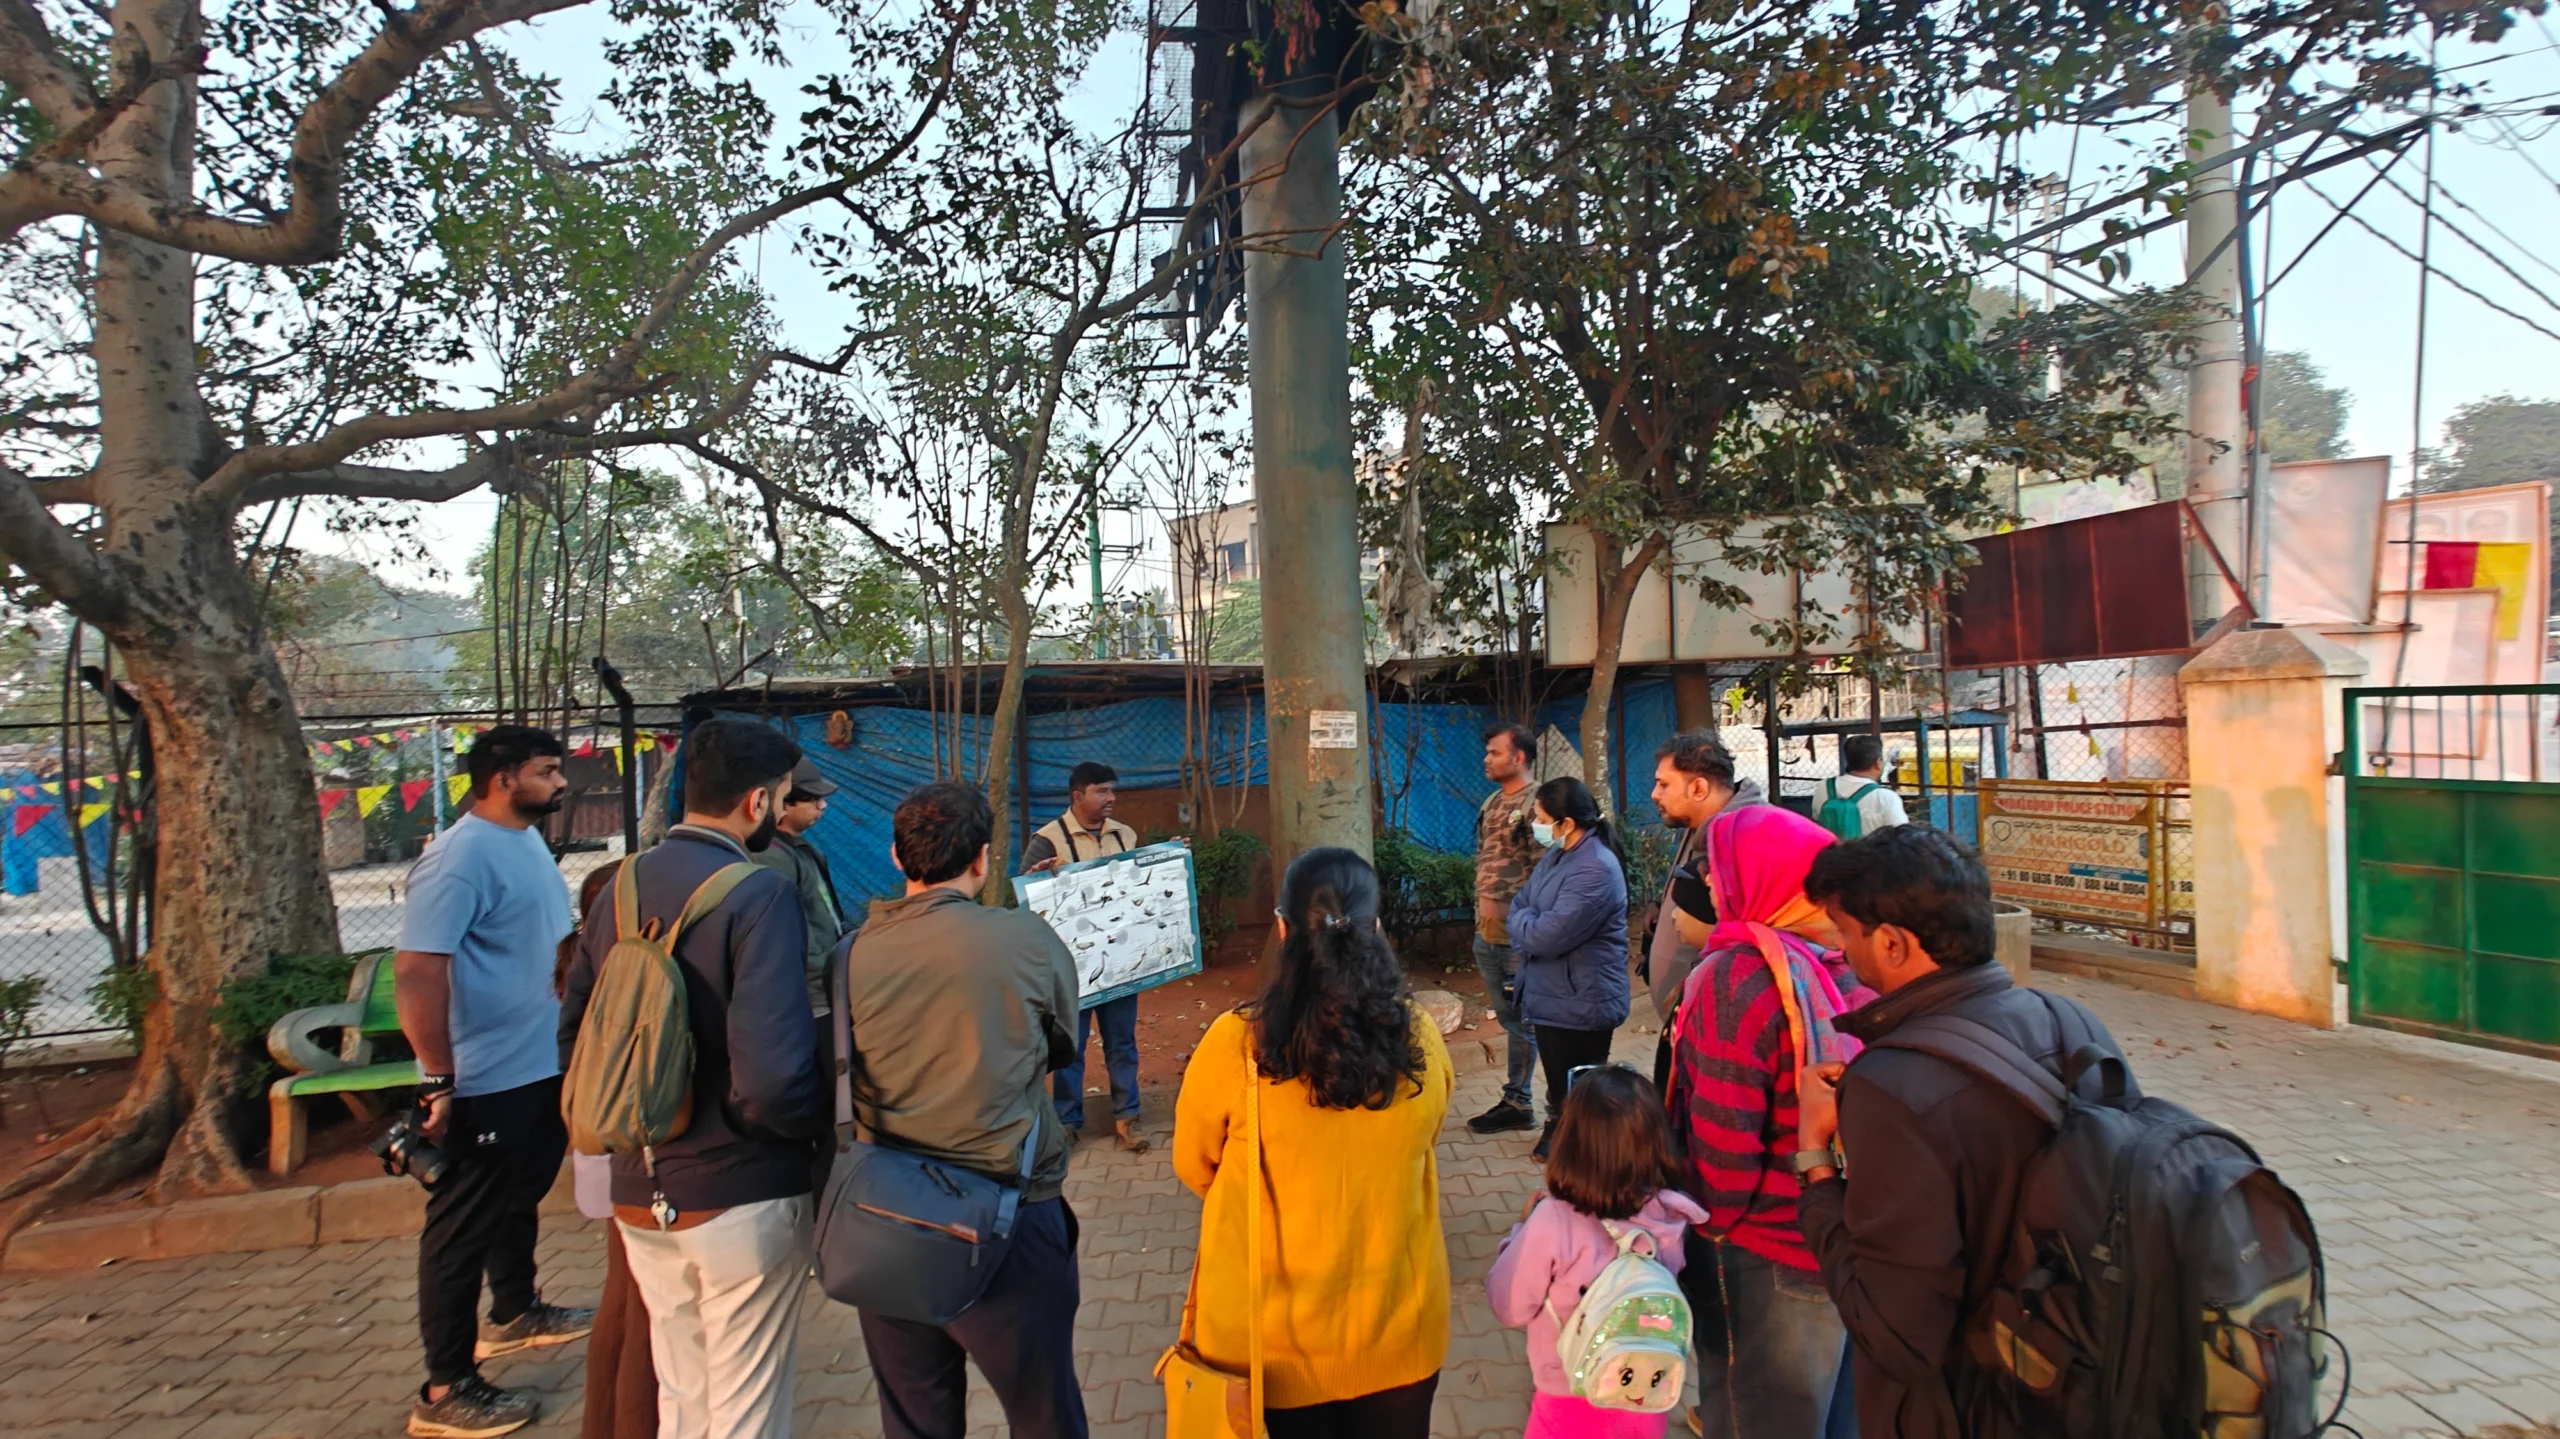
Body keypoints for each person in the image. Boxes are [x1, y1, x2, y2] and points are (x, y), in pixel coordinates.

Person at [1794, 827, 2125, 1439]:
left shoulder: (1891, 1086)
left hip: (1970, 1404)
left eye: (1844, 932)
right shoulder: (2070, 1021)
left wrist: (1816, 1161)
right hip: (2081, 1374)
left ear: (1891, 944)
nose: (1838, 947)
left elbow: (1898, 1337)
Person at [558, 718, 829, 1439]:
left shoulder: (620, 886)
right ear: (757, 801)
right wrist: (800, 1139)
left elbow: (575, 1034)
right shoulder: (757, 894)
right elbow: (772, 1076)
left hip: (638, 1188)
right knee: (745, 1409)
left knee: (682, 1396)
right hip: (740, 1188)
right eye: (780, 797)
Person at [1172, 846, 1456, 1438]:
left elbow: (1195, 1167)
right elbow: (1428, 1133)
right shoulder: (1422, 1038)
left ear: (1282, 929)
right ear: (1377, 927)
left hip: (1268, 1356)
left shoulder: (1235, 1047)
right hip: (1400, 1341)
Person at [841, 780, 1087, 1439]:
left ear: (897, 856)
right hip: (1008, 1213)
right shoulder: (1025, 938)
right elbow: (1063, 1043)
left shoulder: (851, 953)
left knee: (915, 1421)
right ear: (982, 857)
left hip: (887, 1220)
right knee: (1045, 1413)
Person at [395, 724, 591, 1439]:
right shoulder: (458, 859)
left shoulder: (523, 841)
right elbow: (418, 969)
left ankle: (514, 1309)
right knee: (461, 1225)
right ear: (504, 778)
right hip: (484, 1076)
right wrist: (438, 1077)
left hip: (537, 1061)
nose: (561, 782)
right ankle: (446, 1386)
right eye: (547, 770)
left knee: (517, 1195)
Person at [1666, 804, 1876, 1439]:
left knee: (1755, 1414)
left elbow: (1725, 1149)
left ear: (1758, 878)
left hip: (1762, 1250)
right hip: (1844, 1236)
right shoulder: (1845, 962)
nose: (1709, 881)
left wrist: (1705, 1227)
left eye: (1717, 867)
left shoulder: (1737, 977)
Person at [1488, 1066, 1707, 1439]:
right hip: (1644, 1397)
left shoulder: (1554, 1219)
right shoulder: (1671, 1215)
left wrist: (1519, 1233)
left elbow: (1509, 1306)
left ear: (1570, 1142)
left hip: (1568, 1404)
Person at [559, 864, 656, 1439]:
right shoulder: (626, 976)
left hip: (598, 1146)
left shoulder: (587, 971)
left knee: (621, 1296)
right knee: (640, 1310)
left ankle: (601, 1423)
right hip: (625, 1150)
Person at [1023, 760, 1150, 1153]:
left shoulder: (1125, 835)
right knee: (1070, 1046)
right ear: (1077, 795)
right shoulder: (1047, 840)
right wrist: (1037, 877)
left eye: (1112, 790)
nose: (1111, 798)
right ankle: (1067, 1122)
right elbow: (1028, 896)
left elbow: (1142, 885)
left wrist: (1170, 859)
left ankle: (1128, 1116)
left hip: (1119, 960)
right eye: (1101, 791)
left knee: (1122, 1041)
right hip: (1070, 967)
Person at [1507, 776, 1631, 1163]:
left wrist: (1526, 927)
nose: (1535, 826)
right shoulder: (1560, 855)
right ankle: (1562, 1128)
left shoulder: (1595, 868)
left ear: (1567, 823)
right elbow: (1521, 904)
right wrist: (1527, 927)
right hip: (1554, 992)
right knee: (1560, 1077)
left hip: (1582, 997)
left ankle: (1589, 1153)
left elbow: (1546, 935)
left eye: (1542, 820)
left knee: (1582, 1082)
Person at [1644, 732, 1763, 1092]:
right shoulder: (1702, 825)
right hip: (1689, 1024)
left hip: (1718, 1033)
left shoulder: (1745, 835)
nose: (1655, 794)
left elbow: (1754, 939)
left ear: (1698, 788)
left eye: (1664, 784)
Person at [1469, 721, 1544, 1135]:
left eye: (1494, 753)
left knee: (1525, 1021)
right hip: (1488, 932)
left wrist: (1532, 930)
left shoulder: (1540, 804)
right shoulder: (1492, 802)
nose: (1486, 759)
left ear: (1518, 757)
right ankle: (1517, 1100)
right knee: (1511, 1020)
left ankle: (1521, 1102)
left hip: (1519, 936)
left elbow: (1548, 873)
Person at [754, 757, 849, 1012]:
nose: (823, 806)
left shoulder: (800, 850)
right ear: (784, 802)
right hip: (809, 995)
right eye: (813, 799)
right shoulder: (771, 857)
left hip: (824, 986)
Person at [1812, 735, 1908, 839]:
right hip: (1870, 849)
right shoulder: (1886, 796)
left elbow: (1816, 822)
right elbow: (1903, 836)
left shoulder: (1824, 787)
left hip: (1832, 849)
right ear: (1878, 763)